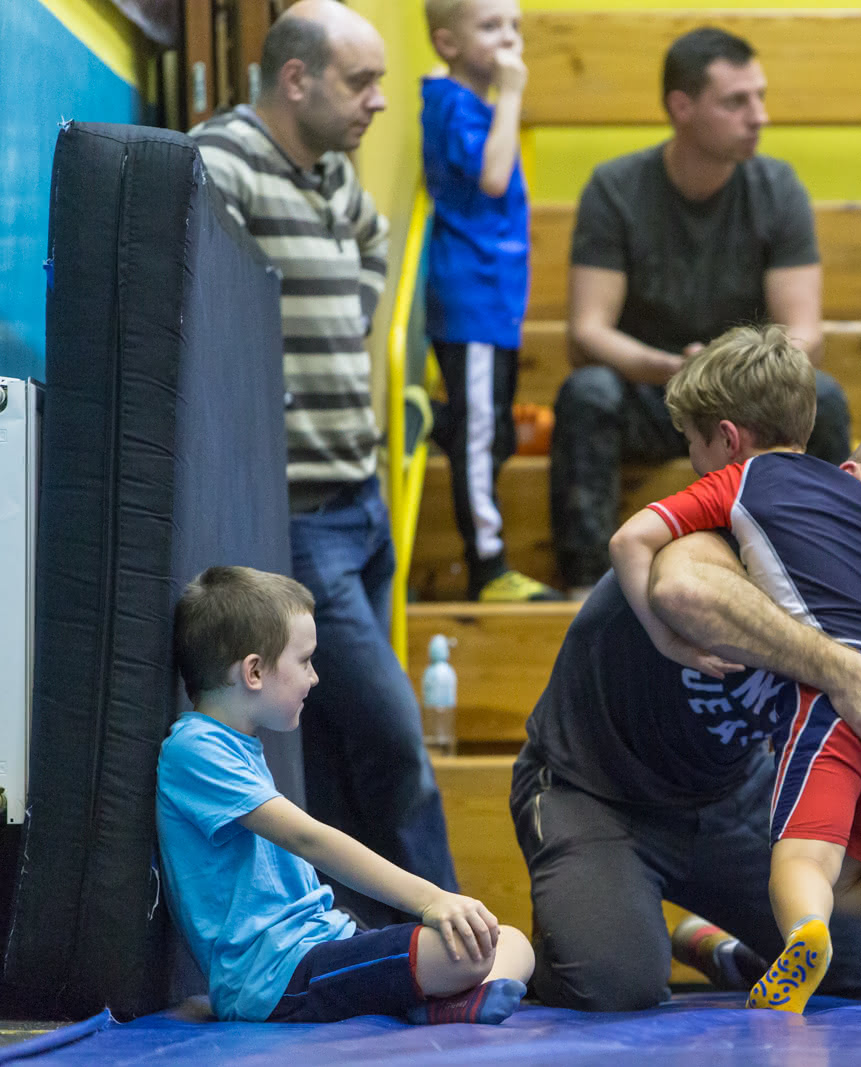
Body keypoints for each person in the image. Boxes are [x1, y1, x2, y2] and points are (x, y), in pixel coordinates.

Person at [510, 384, 861, 1014]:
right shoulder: (753, 516)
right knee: (617, 984)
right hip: (595, 790)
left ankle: (731, 954)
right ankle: (568, 933)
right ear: (847, 484)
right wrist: (839, 667)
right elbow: (685, 590)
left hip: (730, 797)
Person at [191, 0, 459, 925]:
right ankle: (456, 927)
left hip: (362, 495)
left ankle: (372, 943)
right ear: (294, 78)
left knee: (346, 750)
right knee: (393, 738)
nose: (381, 101)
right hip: (295, 513)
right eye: (362, 80)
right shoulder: (218, 162)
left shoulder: (337, 178)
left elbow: (376, 253)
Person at [550, 25, 852, 598]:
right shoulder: (616, 188)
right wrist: (676, 369)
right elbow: (588, 333)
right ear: (681, 107)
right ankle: (584, 585)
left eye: (760, 96)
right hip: (654, 393)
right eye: (737, 101)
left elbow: (805, 333)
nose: (758, 115)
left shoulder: (777, 187)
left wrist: (727, 372)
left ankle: (829, 578)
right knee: (587, 393)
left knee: (827, 397)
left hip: (748, 399)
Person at [158, 566, 534, 1024]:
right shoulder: (194, 749)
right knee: (470, 953)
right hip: (278, 976)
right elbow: (309, 840)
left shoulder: (237, 744)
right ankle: (445, 1000)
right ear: (254, 671)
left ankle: (445, 1002)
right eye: (305, 661)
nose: (314, 677)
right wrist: (432, 898)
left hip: (326, 942)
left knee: (509, 940)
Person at [421, 0, 558, 602]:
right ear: (448, 43)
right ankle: (488, 565)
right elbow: (494, 177)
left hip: (495, 300)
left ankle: (433, 420)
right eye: (490, 27)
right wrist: (512, 94)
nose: (508, 40)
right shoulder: (452, 104)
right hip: (470, 294)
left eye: (515, 27)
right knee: (479, 436)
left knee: (493, 430)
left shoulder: (479, 105)